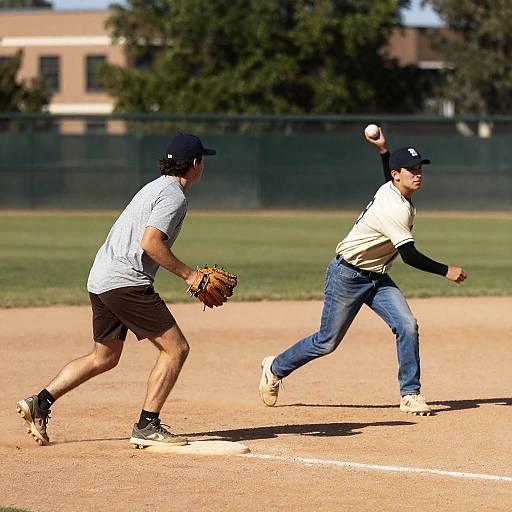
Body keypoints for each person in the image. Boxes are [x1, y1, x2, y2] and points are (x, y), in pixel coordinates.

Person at [17, 133, 216, 447]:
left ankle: (39, 403)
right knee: (176, 349)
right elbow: (150, 243)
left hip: (102, 277)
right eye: (202, 159)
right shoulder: (173, 195)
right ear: (194, 163)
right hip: (126, 280)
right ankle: (147, 425)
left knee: (105, 356)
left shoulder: (155, 186)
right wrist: (189, 275)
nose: (203, 165)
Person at [259, 127, 467, 415]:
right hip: (348, 275)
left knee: (407, 324)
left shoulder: (393, 190)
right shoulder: (393, 207)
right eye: (411, 169)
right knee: (327, 341)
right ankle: (275, 366)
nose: (417, 174)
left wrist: (384, 151)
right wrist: (446, 270)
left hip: (377, 277)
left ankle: (410, 394)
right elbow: (408, 256)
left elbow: (388, 176)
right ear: (397, 174)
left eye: (419, 168)